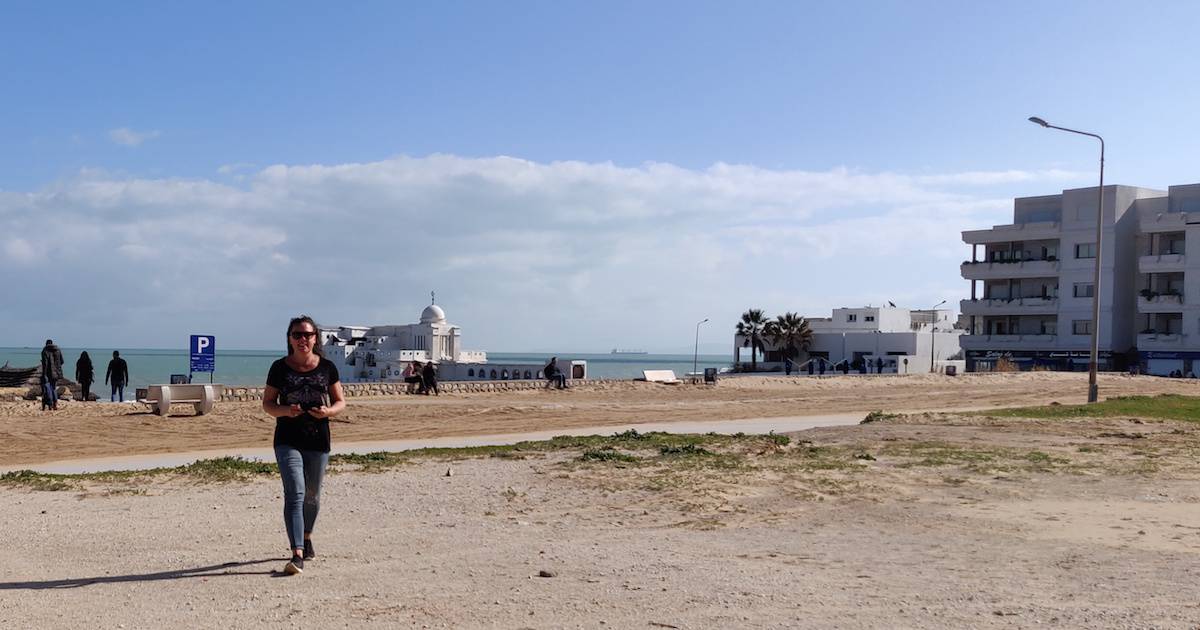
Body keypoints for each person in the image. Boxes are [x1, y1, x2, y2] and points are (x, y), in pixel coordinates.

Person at [263, 315, 345, 576]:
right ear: (289, 338)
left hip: (318, 440)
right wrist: (287, 410)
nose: (302, 339)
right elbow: (268, 404)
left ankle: (306, 536)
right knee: (295, 493)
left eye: (307, 335)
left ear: (315, 338)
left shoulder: (327, 367)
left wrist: (328, 412)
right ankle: (297, 552)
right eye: (297, 335)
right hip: (287, 439)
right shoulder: (279, 367)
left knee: (312, 495)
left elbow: (340, 401)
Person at [40, 339, 64, 410]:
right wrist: (57, 367)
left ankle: (50, 404)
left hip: (48, 373)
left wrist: (44, 374)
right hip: (56, 373)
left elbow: (45, 364)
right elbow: (62, 361)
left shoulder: (45, 351)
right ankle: (55, 404)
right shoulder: (58, 350)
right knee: (53, 388)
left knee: (48, 389)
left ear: (46, 344)